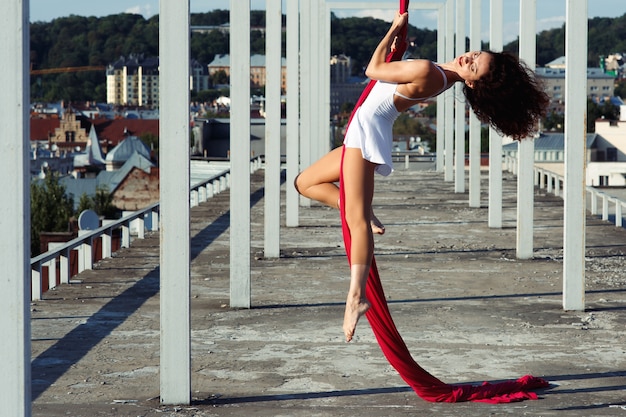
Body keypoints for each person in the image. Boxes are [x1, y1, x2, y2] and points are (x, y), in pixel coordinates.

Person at [294, 11, 549, 343]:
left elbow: (372, 71)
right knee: (305, 183)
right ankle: (365, 209)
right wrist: (401, 46)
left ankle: (356, 296)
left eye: (473, 66)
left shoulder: (429, 71)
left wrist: (392, 31)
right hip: (364, 131)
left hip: (364, 137)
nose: (469, 58)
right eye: (477, 55)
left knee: (355, 221)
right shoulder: (441, 74)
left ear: (471, 83)